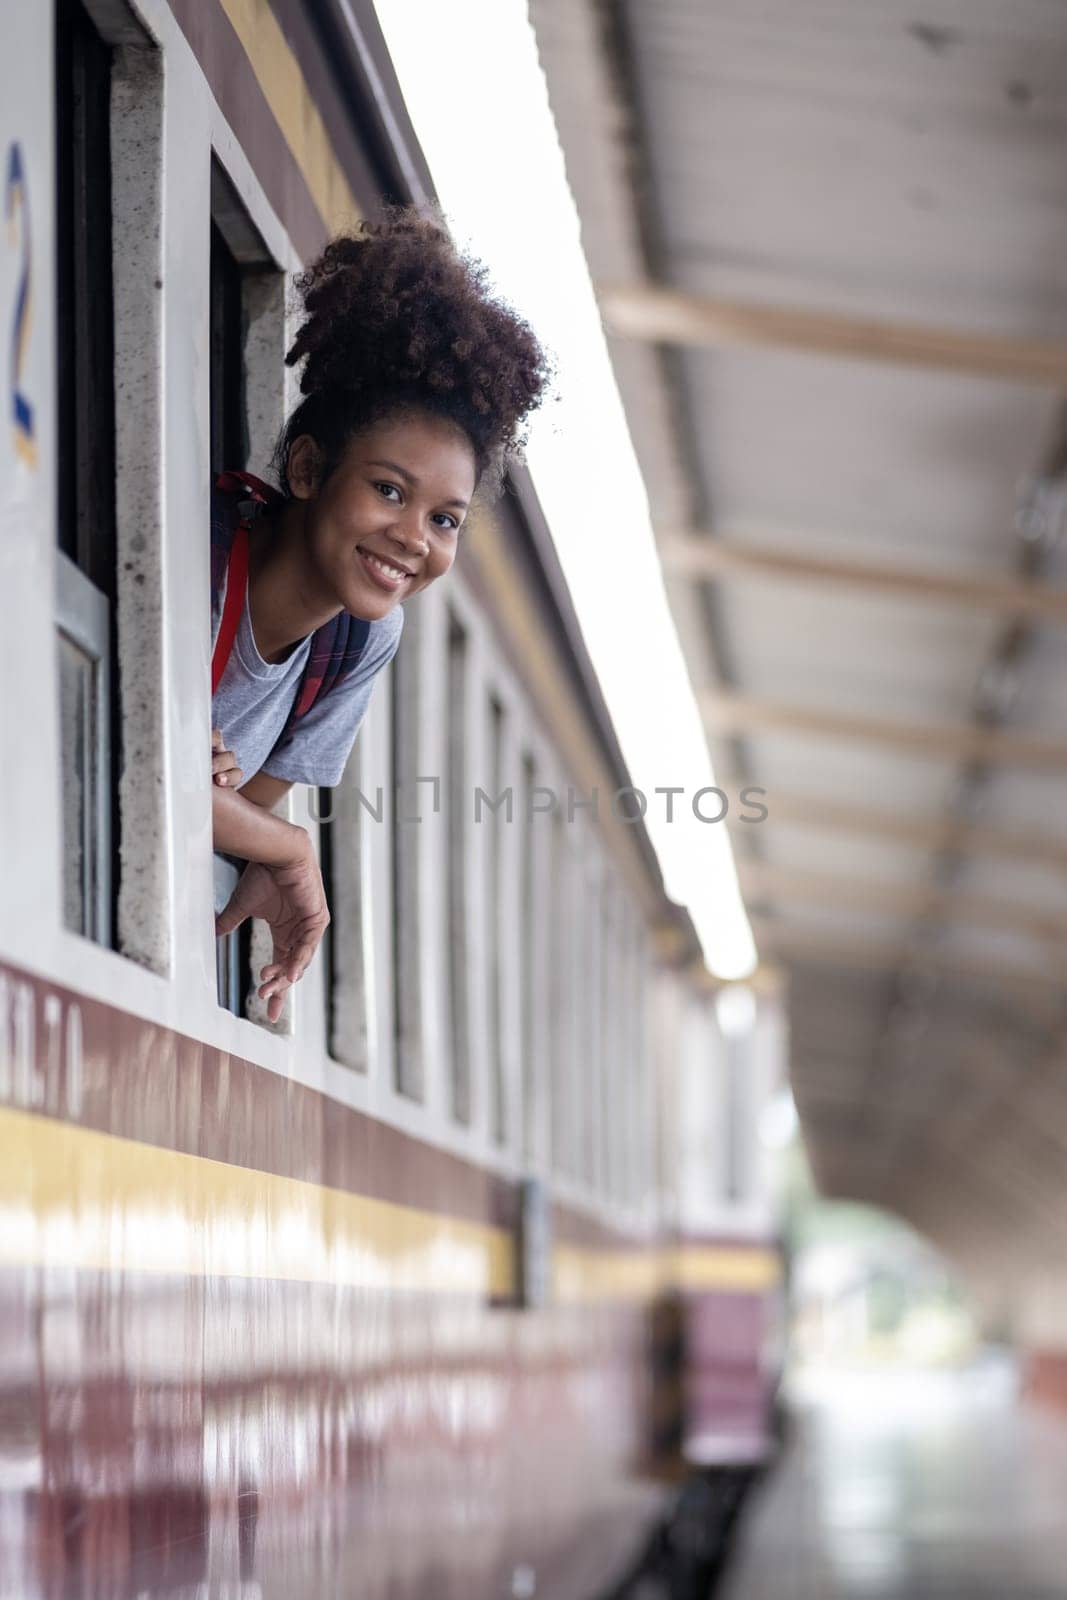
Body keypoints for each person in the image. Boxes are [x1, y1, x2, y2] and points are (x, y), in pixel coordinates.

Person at [210, 211, 550, 1022]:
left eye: (445, 519)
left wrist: (249, 824)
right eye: (389, 490)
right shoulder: (202, 556)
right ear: (306, 469)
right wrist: (290, 848)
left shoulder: (362, 636)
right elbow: (161, 771)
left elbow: (238, 809)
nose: (412, 539)